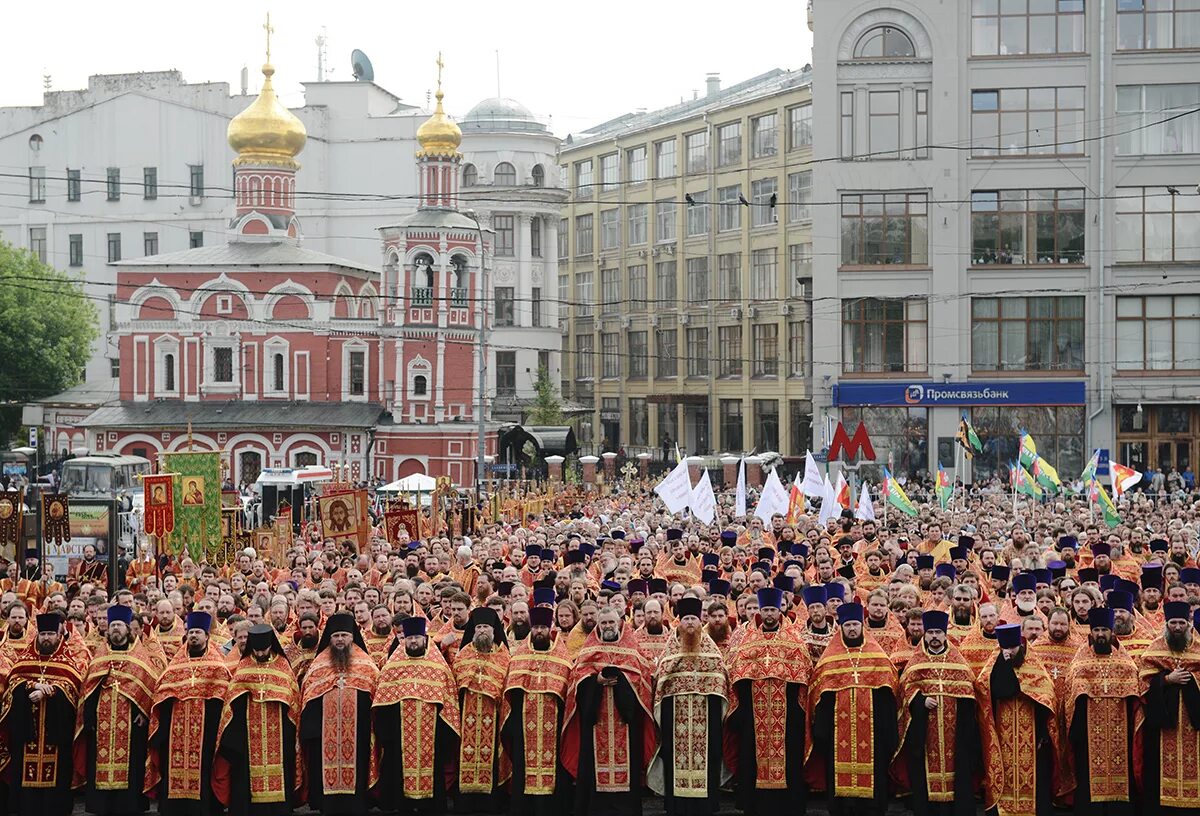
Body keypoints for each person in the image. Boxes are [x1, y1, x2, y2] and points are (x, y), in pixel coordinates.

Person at [897, 610, 997, 816]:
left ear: (945, 634)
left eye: (938, 633)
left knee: (958, 772)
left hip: (955, 733)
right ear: (925, 634)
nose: (934, 636)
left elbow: (970, 689)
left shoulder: (957, 660)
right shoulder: (916, 661)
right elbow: (905, 689)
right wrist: (920, 700)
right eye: (931, 632)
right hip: (925, 733)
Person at [724, 587, 813, 816]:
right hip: (754, 714)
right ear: (760, 612)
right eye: (766, 610)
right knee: (752, 761)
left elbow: (803, 672)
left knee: (790, 762)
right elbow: (736, 673)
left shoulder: (793, 640)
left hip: (788, 716)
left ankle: (789, 808)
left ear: (780, 610)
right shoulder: (747, 641)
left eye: (773, 609)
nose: (770, 614)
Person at [561, 605, 656, 816]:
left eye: (611, 622)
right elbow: (578, 684)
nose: (608, 626)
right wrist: (596, 680)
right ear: (598, 625)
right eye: (603, 623)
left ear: (620, 623)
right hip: (595, 723)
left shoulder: (632, 650)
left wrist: (621, 681)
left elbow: (643, 682)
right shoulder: (588, 650)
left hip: (626, 722)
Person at [808, 601, 899, 816]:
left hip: (874, 735)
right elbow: (821, 696)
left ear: (862, 626)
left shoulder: (878, 658)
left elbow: (888, 696)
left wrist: (888, 733)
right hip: (837, 735)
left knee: (874, 791)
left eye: (855, 625)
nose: (851, 629)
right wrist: (821, 732)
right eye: (847, 625)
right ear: (841, 628)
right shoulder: (830, 659)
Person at [75, 605, 160, 816]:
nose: (115, 629)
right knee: (99, 764)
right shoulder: (100, 656)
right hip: (102, 721)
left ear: (127, 629)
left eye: (119, 625)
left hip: (132, 722)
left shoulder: (140, 656)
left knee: (132, 765)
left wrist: (145, 712)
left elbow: (150, 687)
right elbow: (89, 689)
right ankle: (102, 805)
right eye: (112, 625)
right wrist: (88, 716)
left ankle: (130, 805)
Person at [145, 610, 230, 815]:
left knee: (204, 771)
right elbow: (162, 693)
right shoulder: (176, 666)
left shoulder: (217, 666)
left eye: (198, 632)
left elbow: (223, 698)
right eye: (191, 632)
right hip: (175, 732)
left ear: (207, 636)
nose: (194, 636)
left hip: (206, 733)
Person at [373, 616, 461, 815]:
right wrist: (387, 734)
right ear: (403, 640)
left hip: (433, 736)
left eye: (417, 638)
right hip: (399, 736)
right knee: (399, 771)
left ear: (425, 639)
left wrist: (444, 736)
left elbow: (449, 704)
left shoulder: (438, 667)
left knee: (433, 778)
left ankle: (431, 806)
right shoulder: (393, 667)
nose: (413, 641)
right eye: (409, 638)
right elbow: (383, 702)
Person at [0, 613, 85, 816]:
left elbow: (74, 689)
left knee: (56, 784)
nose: (47, 638)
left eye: (50, 634)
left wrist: (53, 690)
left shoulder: (67, 661)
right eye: (43, 633)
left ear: (58, 635)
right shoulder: (24, 661)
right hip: (27, 734)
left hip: (55, 735)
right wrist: (32, 686)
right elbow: (12, 685)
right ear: (37, 635)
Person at [649, 596, 727, 816]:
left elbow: (720, 681)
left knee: (708, 758)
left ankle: (706, 806)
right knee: (675, 761)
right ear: (679, 623)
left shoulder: (711, 650)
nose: (690, 623)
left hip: (706, 716)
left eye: (694, 618)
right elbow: (661, 683)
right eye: (686, 619)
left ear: (700, 622)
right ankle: (677, 806)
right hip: (675, 719)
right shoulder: (670, 651)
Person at [214, 624, 302, 816]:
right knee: (244, 779)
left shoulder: (283, 666)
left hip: (279, 733)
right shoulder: (244, 666)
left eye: (264, 649)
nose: (261, 652)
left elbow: (292, 698)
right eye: (257, 649)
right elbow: (232, 699)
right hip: (247, 734)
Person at [299, 611, 379, 816]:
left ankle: (359, 804)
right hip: (324, 735)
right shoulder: (319, 665)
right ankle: (327, 805)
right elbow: (309, 697)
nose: (340, 640)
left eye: (344, 635)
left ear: (353, 637)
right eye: (336, 636)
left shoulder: (367, 665)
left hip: (359, 733)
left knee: (359, 769)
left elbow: (375, 696)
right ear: (330, 638)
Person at [1062, 607, 1139, 815]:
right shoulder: (1080, 662)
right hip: (1088, 734)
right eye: (1096, 630)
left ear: (1112, 633)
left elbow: (1134, 695)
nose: (1100, 634)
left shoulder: (1125, 663)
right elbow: (1071, 695)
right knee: (1087, 778)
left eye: (1105, 630)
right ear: (1091, 633)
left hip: (1120, 733)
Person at [978, 624, 1058, 816]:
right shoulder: (995, 665)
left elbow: (1046, 701)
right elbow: (998, 691)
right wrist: (1004, 665)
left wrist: (1041, 734)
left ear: (1020, 646)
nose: (1010, 652)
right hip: (1001, 735)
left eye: (1013, 648)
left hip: (1032, 735)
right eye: (1005, 649)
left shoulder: (1034, 666)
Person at [501, 605, 573, 816]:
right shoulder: (519, 658)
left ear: (550, 628)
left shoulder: (562, 658)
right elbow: (510, 693)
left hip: (554, 726)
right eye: (536, 627)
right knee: (523, 768)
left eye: (543, 627)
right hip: (523, 727)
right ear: (532, 629)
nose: (539, 631)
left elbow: (568, 694)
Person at [1139, 600, 1200, 815]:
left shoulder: (1198, 647)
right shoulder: (1155, 648)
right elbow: (1143, 680)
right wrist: (1166, 680)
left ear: (1189, 624)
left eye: (1181, 623)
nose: (1177, 627)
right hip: (1164, 726)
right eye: (1173, 622)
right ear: (1166, 624)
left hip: (1194, 726)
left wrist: (1192, 677)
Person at [452, 606, 511, 812]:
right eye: (479, 627)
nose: (483, 631)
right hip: (465, 716)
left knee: (492, 759)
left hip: (493, 718)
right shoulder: (462, 656)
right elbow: (454, 688)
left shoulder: (504, 658)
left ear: (494, 630)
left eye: (486, 626)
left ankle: (491, 804)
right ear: (473, 630)